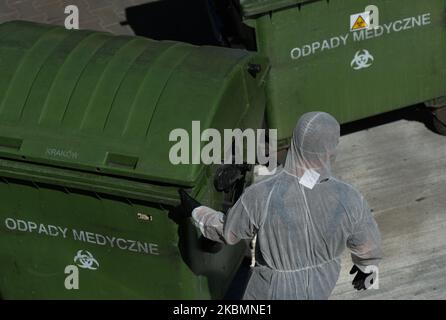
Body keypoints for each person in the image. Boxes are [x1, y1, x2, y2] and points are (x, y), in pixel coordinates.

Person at [179, 111, 382, 299]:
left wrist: (197, 211)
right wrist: (367, 268)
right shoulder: (349, 197)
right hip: (323, 284)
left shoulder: (261, 195)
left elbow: (227, 232)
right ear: (330, 148)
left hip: (273, 290)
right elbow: (367, 240)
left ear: (296, 141)